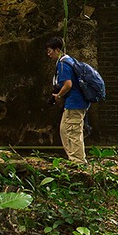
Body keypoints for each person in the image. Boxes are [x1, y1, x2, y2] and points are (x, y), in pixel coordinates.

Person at [46, 37, 87, 165]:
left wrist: (58, 95)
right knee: (65, 130)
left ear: (57, 50)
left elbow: (68, 84)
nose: (48, 54)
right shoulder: (70, 61)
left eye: (49, 51)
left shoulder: (63, 64)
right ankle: (73, 159)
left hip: (74, 103)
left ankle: (79, 162)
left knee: (72, 132)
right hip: (76, 102)